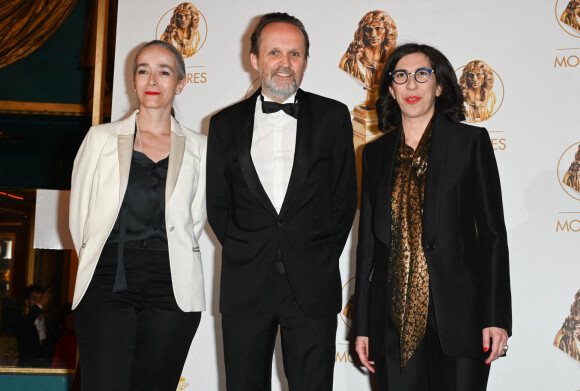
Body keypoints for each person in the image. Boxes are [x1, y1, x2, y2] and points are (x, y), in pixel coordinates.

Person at [207, 12, 357, 391]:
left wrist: (315, 254)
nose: (285, 63)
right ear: (255, 60)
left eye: (295, 54)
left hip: (312, 285)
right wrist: (251, 248)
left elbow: (344, 200)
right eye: (274, 52)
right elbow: (217, 205)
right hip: (246, 284)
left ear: (305, 60)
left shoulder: (334, 117)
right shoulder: (223, 124)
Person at [354, 43, 512, 391]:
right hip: (392, 321)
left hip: (460, 316)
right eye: (401, 76)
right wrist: (363, 324)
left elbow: (492, 234)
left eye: (422, 75)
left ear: (439, 86)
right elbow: (367, 245)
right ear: (391, 89)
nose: (412, 85)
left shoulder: (469, 142)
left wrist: (496, 317)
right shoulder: (375, 154)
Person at [69, 40, 207, 391]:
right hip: (108, 280)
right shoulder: (99, 139)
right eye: (143, 70)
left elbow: (195, 219)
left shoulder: (201, 147)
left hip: (172, 286)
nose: (152, 79)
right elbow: (80, 219)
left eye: (164, 71)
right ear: (133, 80)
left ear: (180, 83)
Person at [15, 285, 55, 367]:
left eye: (41, 299)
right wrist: (39, 305)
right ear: (27, 302)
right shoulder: (22, 323)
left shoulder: (52, 325)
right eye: (35, 298)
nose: (39, 302)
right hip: (26, 372)